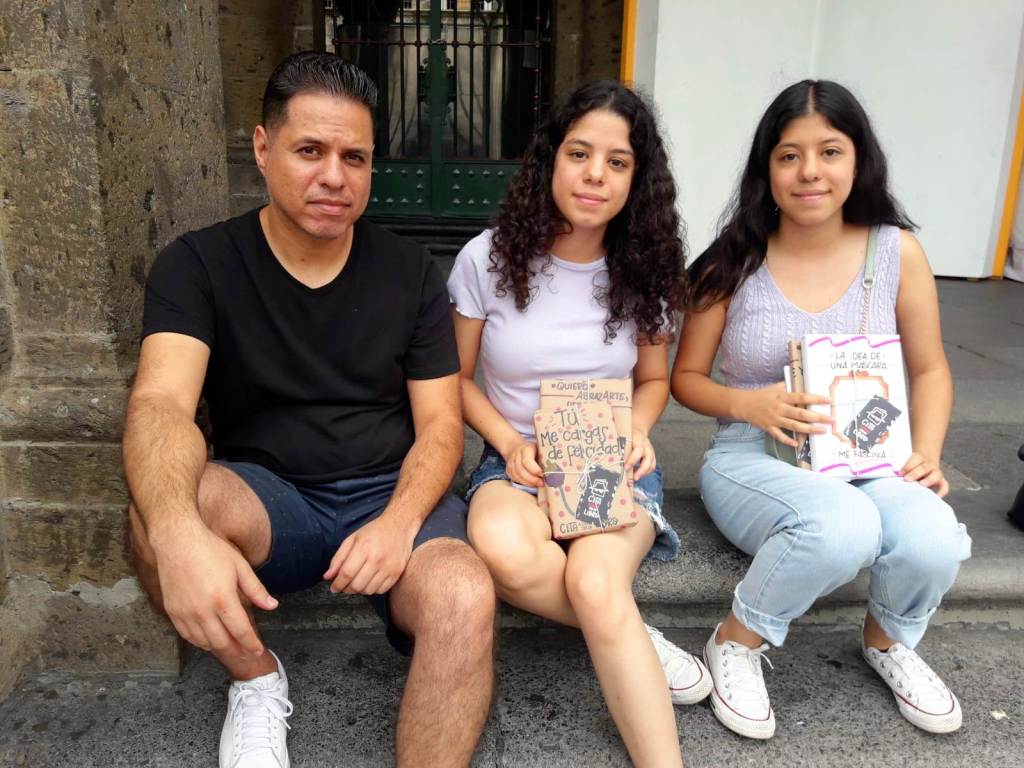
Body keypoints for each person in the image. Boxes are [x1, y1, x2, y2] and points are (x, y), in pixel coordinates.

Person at [123, 52, 495, 768]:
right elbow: (162, 403)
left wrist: (399, 522)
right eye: (310, 151)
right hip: (271, 499)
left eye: (355, 157)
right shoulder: (198, 265)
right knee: (155, 509)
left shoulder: (411, 273)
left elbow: (442, 425)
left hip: (388, 491)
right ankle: (255, 677)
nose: (334, 176)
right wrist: (176, 532)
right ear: (264, 149)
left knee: (464, 593)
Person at [671, 80, 972, 740]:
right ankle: (736, 639)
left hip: (868, 455)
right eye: (789, 155)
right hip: (752, 457)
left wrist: (926, 452)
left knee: (932, 532)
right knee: (844, 526)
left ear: (858, 160)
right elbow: (685, 380)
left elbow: (930, 368)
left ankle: (889, 641)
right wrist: (748, 403)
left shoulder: (896, 253)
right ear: (767, 169)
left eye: (830, 151)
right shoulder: (732, 260)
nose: (810, 171)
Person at [448, 80, 709, 768]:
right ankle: (629, 633)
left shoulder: (645, 268)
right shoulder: (487, 257)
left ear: (637, 179)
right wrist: (508, 444)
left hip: (610, 460)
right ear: (550, 160)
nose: (595, 175)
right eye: (579, 153)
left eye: (617, 162)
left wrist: (638, 431)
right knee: (501, 547)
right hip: (517, 461)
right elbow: (454, 379)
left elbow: (653, 381)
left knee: (597, 582)